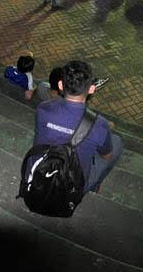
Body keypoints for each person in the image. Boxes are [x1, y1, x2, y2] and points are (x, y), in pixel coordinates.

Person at [33, 60, 123, 194]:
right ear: (92, 89)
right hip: (72, 185)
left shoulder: (43, 108)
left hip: (41, 173)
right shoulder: (99, 124)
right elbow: (106, 156)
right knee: (116, 142)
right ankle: (93, 185)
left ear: (60, 85)